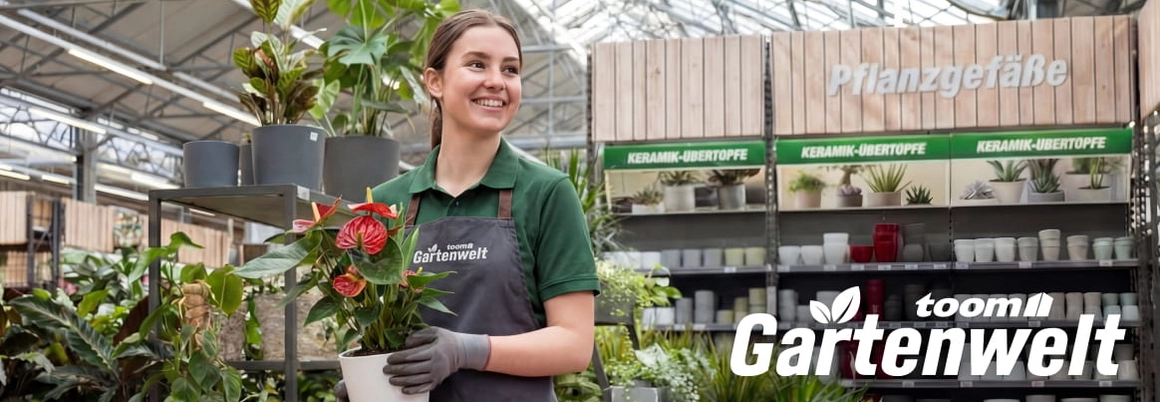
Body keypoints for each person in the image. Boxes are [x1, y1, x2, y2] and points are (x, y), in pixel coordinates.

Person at [334, 8, 599, 402]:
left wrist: (466, 350)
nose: (496, 81)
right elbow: (373, 328)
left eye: (510, 70)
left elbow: (575, 344)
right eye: (478, 64)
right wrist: (364, 378)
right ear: (435, 81)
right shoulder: (387, 203)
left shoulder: (546, 193)